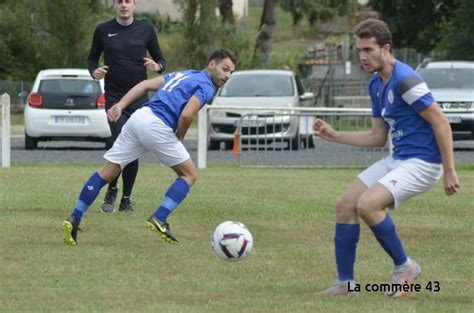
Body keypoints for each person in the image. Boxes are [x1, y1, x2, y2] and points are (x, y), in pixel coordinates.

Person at [314, 19, 460, 297]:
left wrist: (450, 171)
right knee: (345, 204)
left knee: (367, 205)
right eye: (359, 50)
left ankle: (405, 267)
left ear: (386, 48)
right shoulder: (375, 85)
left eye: (368, 49)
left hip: (423, 162)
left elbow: (441, 122)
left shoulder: (405, 80)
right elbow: (378, 137)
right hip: (399, 158)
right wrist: (335, 136)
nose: (363, 56)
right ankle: (346, 284)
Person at [63, 49, 237, 246]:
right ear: (211, 64)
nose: (227, 76)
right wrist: (179, 137)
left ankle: (75, 216)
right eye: (225, 69)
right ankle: (160, 218)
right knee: (189, 175)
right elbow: (187, 115)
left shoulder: (184, 74)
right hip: (158, 125)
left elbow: (146, 85)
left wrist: (120, 105)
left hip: (139, 117)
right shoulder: (206, 86)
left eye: (231, 72)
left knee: (108, 172)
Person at [87, 0, 167, 213]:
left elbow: (161, 60)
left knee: (133, 146)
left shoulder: (146, 29)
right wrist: (94, 72)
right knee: (120, 142)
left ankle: (126, 199)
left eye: (128, 1)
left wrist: (157, 65)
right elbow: (91, 59)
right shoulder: (103, 30)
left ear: (134, 5)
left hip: (139, 99)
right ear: (114, 5)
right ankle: (112, 188)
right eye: (119, 1)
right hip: (114, 98)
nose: (124, 5)